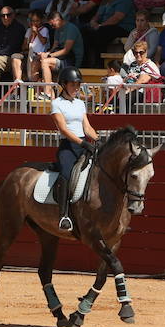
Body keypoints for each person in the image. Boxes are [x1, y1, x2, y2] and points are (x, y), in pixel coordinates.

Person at [50, 67, 99, 231]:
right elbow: (63, 129)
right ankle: (63, 215)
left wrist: (99, 140)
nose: (77, 88)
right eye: (73, 84)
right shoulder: (57, 104)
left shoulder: (80, 103)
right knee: (66, 172)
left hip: (83, 143)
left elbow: (87, 127)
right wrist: (82, 143)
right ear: (64, 84)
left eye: (78, 84)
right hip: (68, 146)